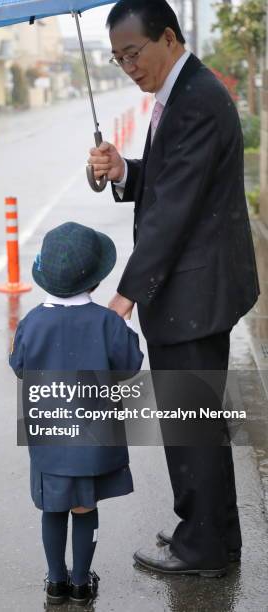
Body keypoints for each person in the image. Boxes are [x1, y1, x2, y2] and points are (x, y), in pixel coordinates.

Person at [88, 0, 259, 577]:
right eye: (118, 59)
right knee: (197, 422)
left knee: (190, 425)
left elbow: (174, 213)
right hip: (197, 287)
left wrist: (125, 294)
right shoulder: (180, 93)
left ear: (168, 36)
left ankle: (201, 549)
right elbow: (169, 183)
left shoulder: (196, 100)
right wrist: (126, 172)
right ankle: (212, 537)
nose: (128, 67)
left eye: (133, 53)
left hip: (193, 293)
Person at [9, 221, 143, 604]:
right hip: (93, 441)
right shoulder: (105, 322)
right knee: (85, 508)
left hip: (50, 440)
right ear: (96, 281)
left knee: (53, 508)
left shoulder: (32, 322)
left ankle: (55, 580)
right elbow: (130, 364)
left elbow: (19, 365)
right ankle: (82, 582)